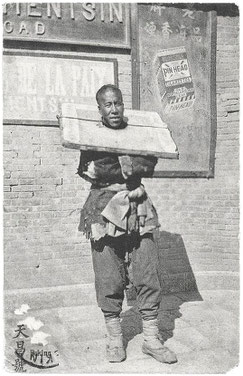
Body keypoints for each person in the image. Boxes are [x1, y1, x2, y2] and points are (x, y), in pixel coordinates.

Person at [77, 84, 177, 364]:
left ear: (123, 105)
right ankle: (113, 339)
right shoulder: (89, 136)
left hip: (138, 206)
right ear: (99, 110)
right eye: (107, 105)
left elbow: (150, 163)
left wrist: (116, 165)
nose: (114, 109)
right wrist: (127, 164)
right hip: (103, 209)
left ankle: (151, 339)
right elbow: (89, 171)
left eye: (118, 103)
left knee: (147, 269)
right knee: (108, 274)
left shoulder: (140, 132)